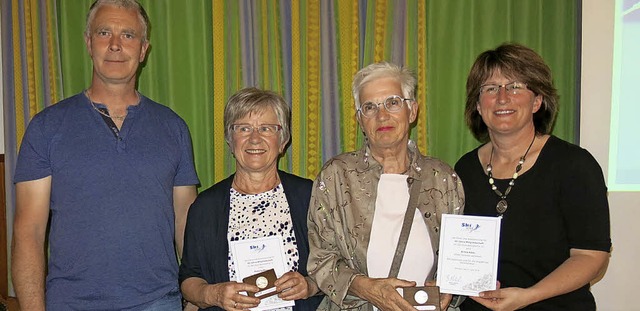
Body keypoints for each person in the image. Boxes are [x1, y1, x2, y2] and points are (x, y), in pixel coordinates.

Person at [11, 0, 199, 310]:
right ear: (88, 43)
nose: (115, 45)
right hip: (71, 303)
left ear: (143, 49)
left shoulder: (173, 127)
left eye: (128, 35)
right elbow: (28, 231)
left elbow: (186, 225)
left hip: (158, 302)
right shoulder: (47, 126)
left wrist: (194, 298)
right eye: (103, 32)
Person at [455, 43, 611, 311]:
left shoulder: (574, 165)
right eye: (491, 88)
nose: (503, 97)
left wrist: (528, 296)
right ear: (478, 106)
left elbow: (590, 256)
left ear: (537, 101)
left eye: (515, 86)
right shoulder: (465, 169)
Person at [306, 62, 465, 311]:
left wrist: (450, 288)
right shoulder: (336, 176)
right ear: (360, 120)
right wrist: (366, 288)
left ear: (412, 111)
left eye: (392, 102)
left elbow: (460, 259)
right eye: (370, 107)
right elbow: (321, 261)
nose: (382, 116)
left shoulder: (442, 178)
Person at [179, 87, 323, 311]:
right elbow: (189, 280)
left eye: (266, 128)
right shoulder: (206, 206)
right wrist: (214, 294)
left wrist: (310, 285)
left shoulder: (309, 196)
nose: (255, 138)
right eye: (243, 128)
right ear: (230, 139)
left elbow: (335, 265)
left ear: (283, 140)